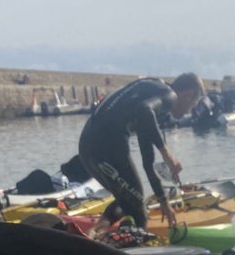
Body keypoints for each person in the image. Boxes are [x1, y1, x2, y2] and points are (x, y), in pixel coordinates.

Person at [76, 73, 205, 229]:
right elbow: (144, 110)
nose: (187, 113)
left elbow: (147, 159)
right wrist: (166, 153)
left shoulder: (152, 95)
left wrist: (163, 200)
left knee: (128, 199)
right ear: (188, 95)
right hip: (107, 144)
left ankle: (96, 234)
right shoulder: (169, 95)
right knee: (138, 212)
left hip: (87, 145)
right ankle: (128, 249)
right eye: (192, 105)